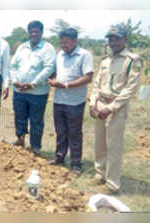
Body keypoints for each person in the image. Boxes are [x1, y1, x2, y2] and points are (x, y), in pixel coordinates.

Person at [89, 25, 142, 194]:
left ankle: (112, 184)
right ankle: (100, 174)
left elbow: (130, 89)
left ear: (125, 40)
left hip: (116, 108)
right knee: (100, 143)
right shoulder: (105, 61)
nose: (113, 42)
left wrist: (111, 107)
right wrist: (92, 103)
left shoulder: (132, 61)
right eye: (110, 39)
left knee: (114, 146)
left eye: (117, 39)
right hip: (100, 105)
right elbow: (97, 84)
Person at [47, 28, 94, 177]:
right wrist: (52, 79)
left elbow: (88, 77)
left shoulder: (84, 55)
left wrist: (66, 85)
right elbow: (56, 72)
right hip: (59, 100)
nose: (63, 45)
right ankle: (59, 157)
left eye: (66, 42)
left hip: (75, 102)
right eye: (61, 42)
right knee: (60, 131)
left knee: (74, 133)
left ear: (75, 41)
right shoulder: (60, 55)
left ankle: (75, 164)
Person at [10, 20, 56, 155]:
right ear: (28, 32)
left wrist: (33, 83)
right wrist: (15, 81)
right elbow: (13, 66)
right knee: (19, 116)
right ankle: (20, 140)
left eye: (36, 31)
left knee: (36, 120)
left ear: (42, 32)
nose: (33, 34)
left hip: (37, 92)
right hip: (19, 90)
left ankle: (35, 147)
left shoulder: (48, 48)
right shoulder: (22, 47)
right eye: (31, 31)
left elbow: (49, 68)